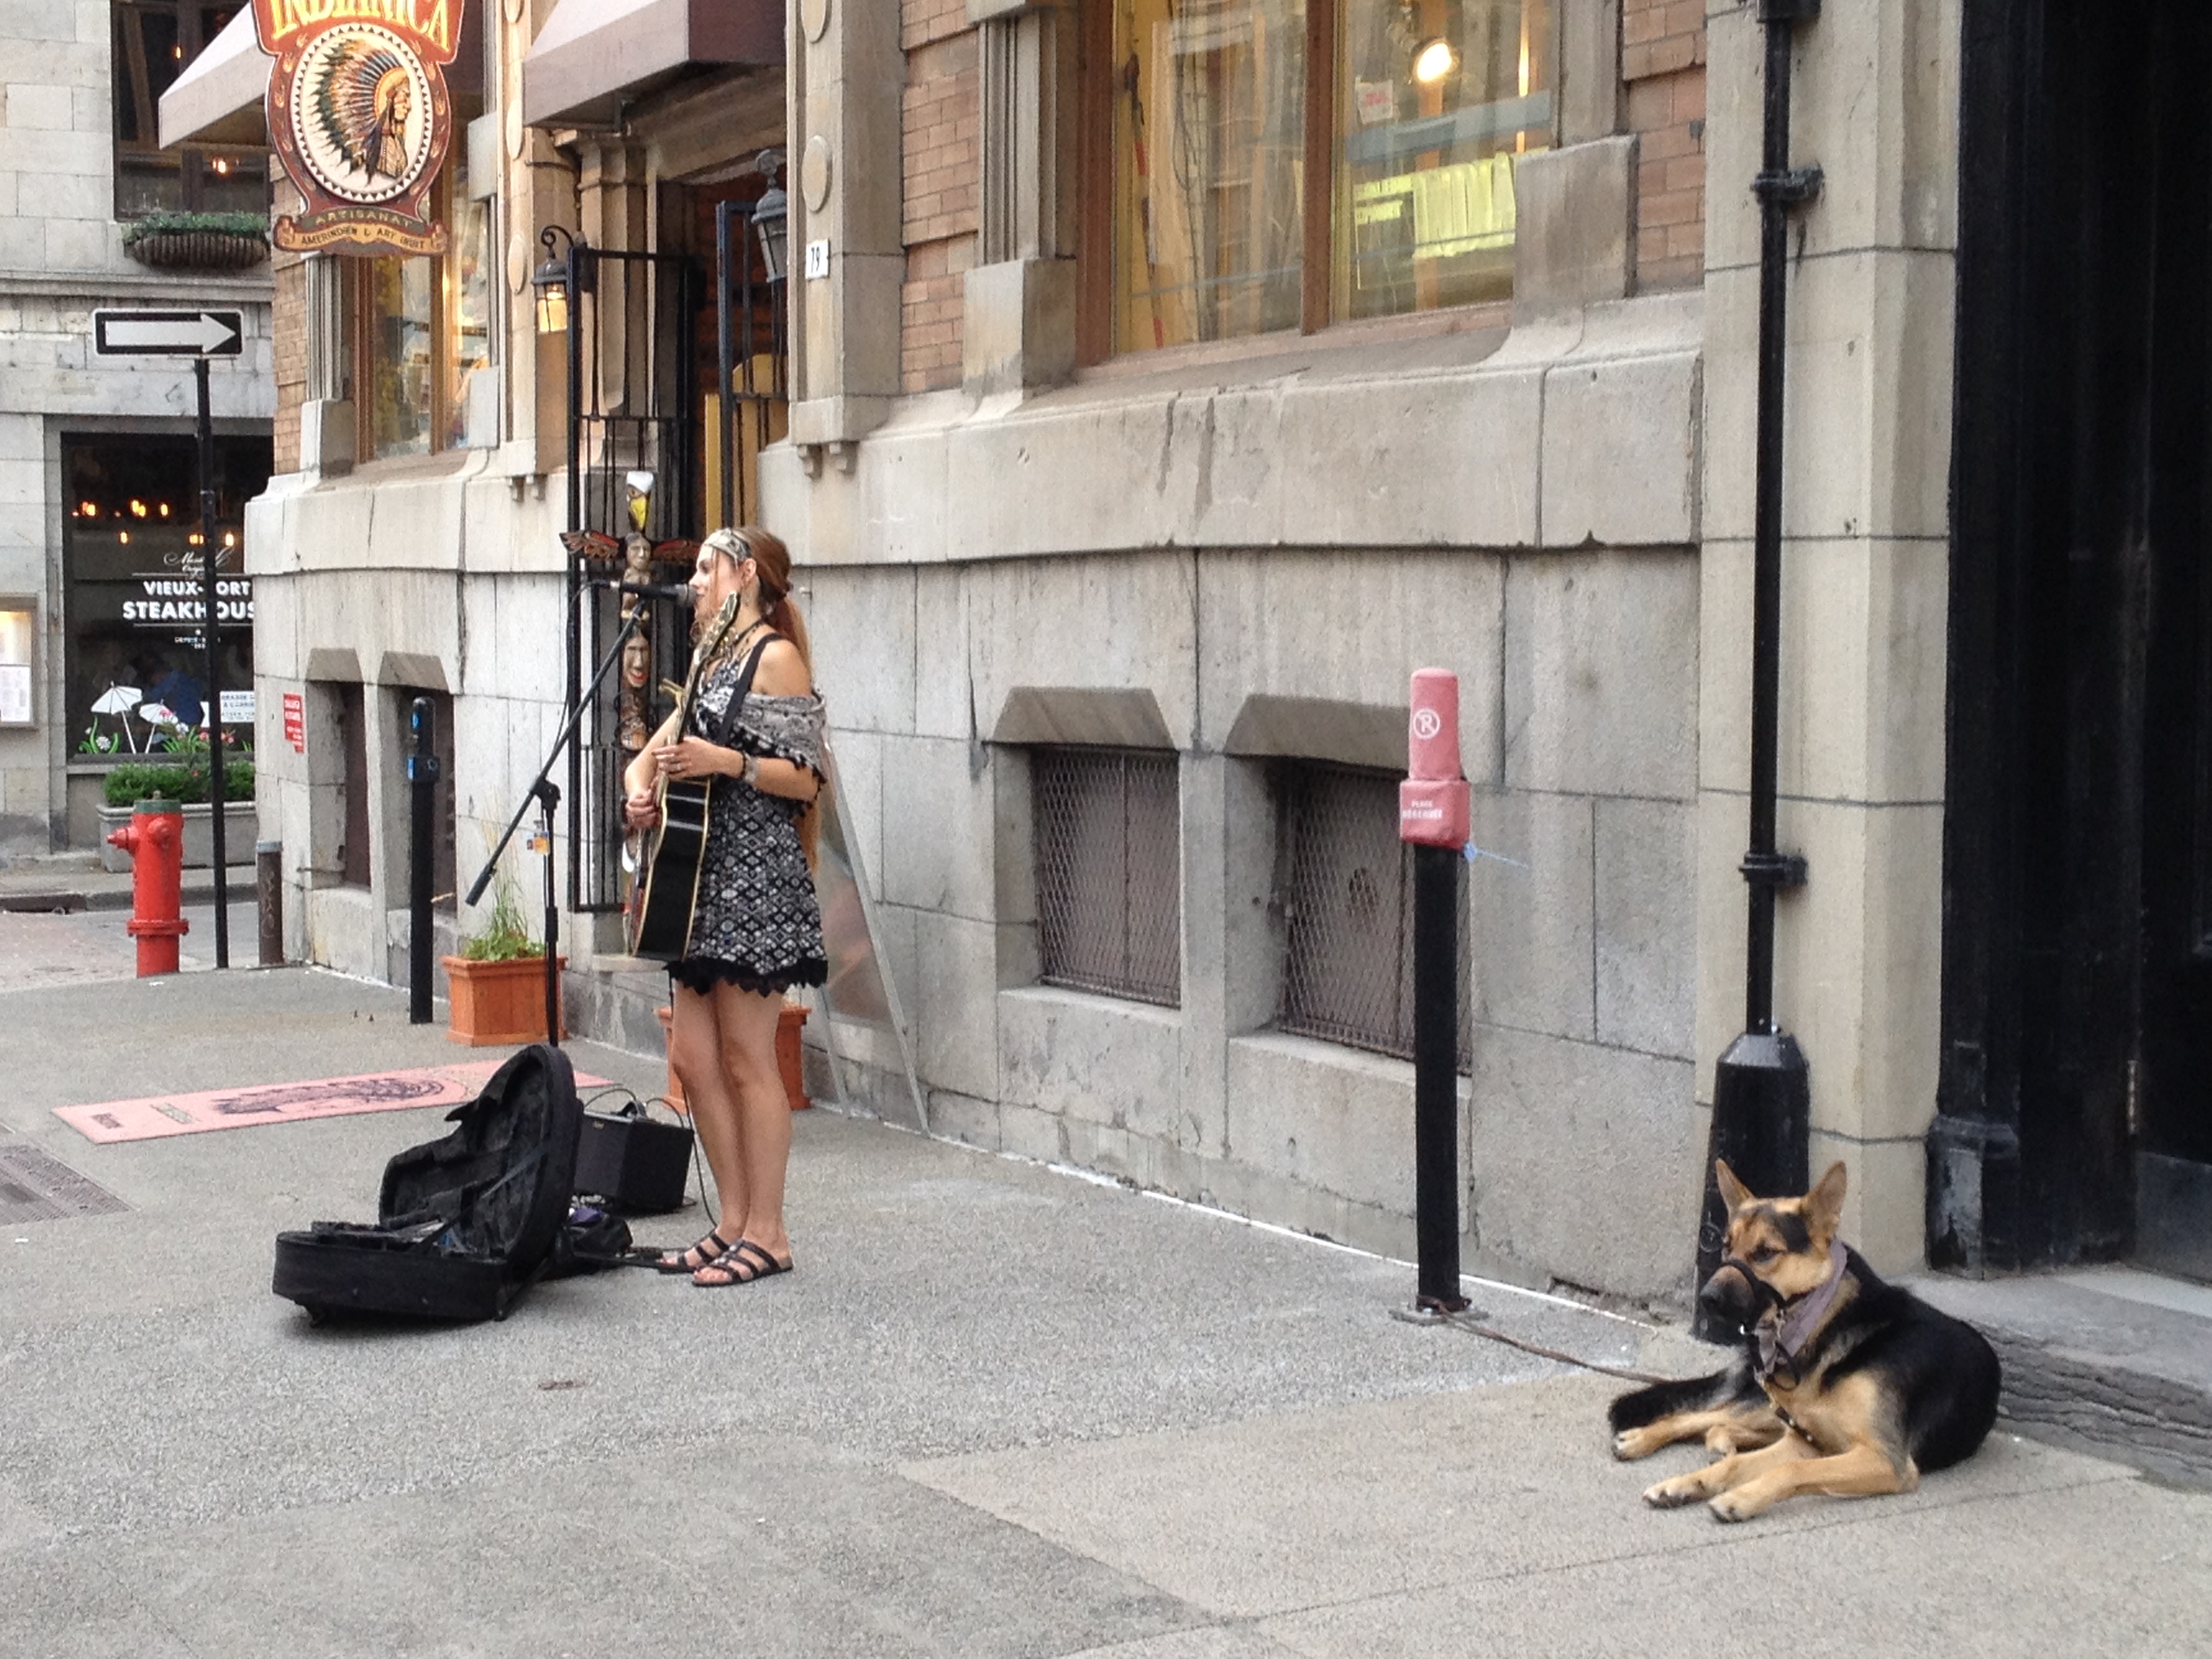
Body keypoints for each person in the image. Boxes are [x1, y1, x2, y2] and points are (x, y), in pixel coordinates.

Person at [623, 526, 826, 1288]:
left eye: (708, 568)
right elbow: (647, 760)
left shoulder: (775, 658)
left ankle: (770, 1233)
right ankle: (734, 1220)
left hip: (755, 881)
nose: (696, 581)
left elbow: (806, 777)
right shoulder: (710, 662)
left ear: (746, 575)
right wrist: (639, 795)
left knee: (747, 1057)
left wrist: (728, 761)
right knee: (693, 1057)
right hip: (696, 881)